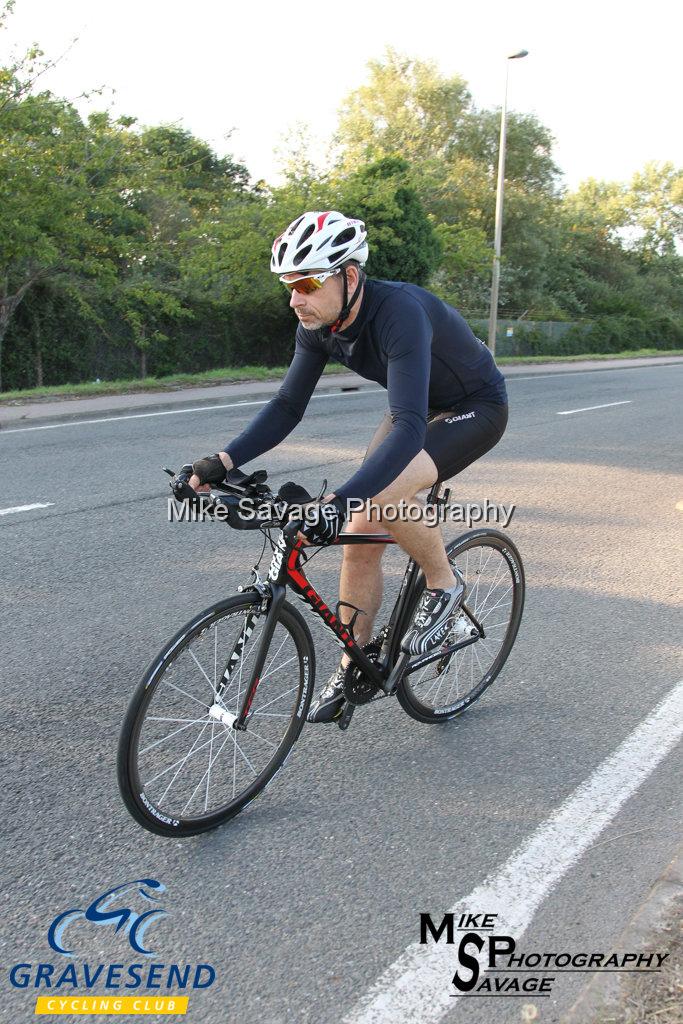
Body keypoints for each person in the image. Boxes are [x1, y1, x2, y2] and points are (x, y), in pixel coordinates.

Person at [189, 210, 508, 723]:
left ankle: (445, 585)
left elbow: (405, 427)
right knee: (359, 533)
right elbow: (288, 406)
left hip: (475, 407)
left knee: (375, 498)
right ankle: (351, 665)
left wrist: (337, 500)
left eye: (308, 283)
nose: (295, 299)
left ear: (349, 275)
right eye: (289, 286)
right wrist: (220, 461)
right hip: (417, 408)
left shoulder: (399, 311)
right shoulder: (318, 325)